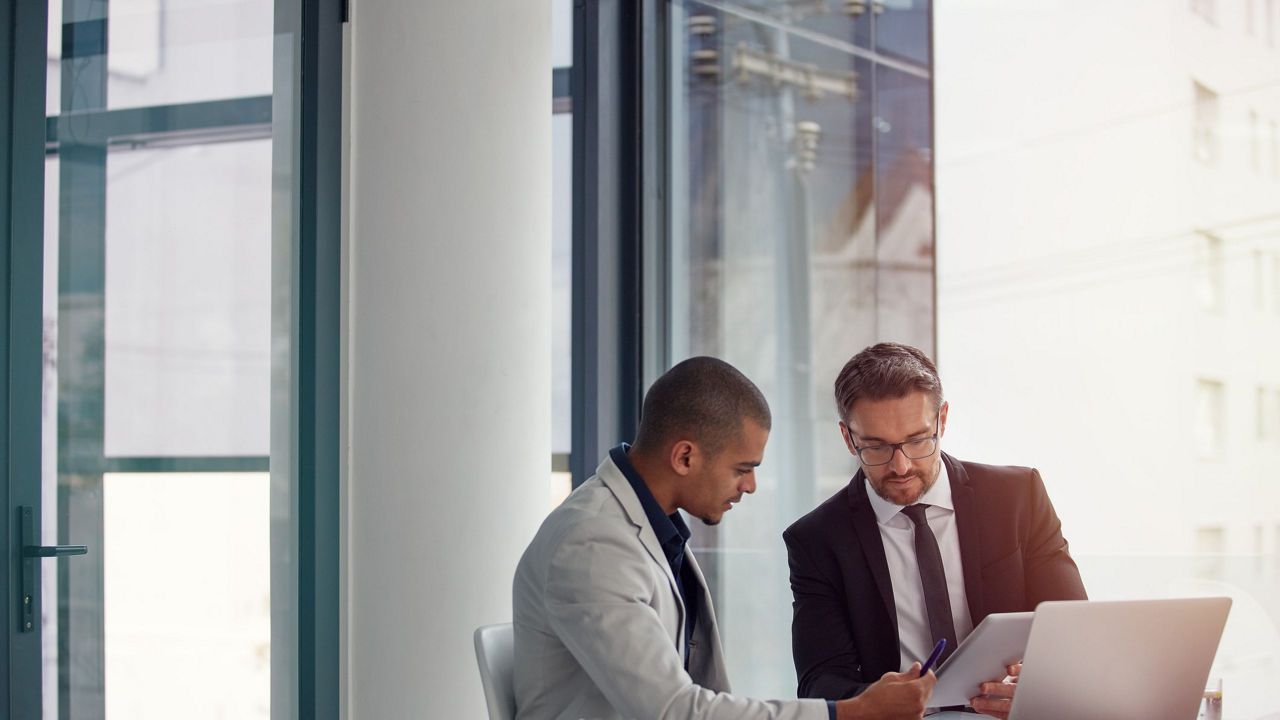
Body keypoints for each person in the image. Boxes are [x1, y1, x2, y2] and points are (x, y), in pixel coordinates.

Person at [513, 356, 936, 720]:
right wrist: (853, 711)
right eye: (742, 468)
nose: (750, 486)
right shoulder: (592, 545)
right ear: (685, 456)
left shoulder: (648, 529)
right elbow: (673, 711)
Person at [784, 343, 1087, 719]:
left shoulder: (1017, 496)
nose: (901, 466)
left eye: (917, 440)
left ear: (942, 420)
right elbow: (819, 680)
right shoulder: (816, 540)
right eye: (876, 447)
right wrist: (875, 700)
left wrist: (1039, 686)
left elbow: (1076, 631)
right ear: (848, 438)